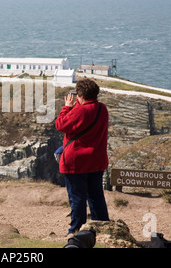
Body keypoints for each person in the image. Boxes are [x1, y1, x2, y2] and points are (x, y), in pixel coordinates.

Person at [55, 78, 110, 235]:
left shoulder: (80, 111)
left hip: (77, 163)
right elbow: (86, 117)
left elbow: (61, 124)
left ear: (80, 94)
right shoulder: (102, 108)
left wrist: (67, 108)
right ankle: (103, 229)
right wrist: (77, 106)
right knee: (96, 197)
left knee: (78, 199)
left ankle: (76, 231)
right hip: (96, 161)